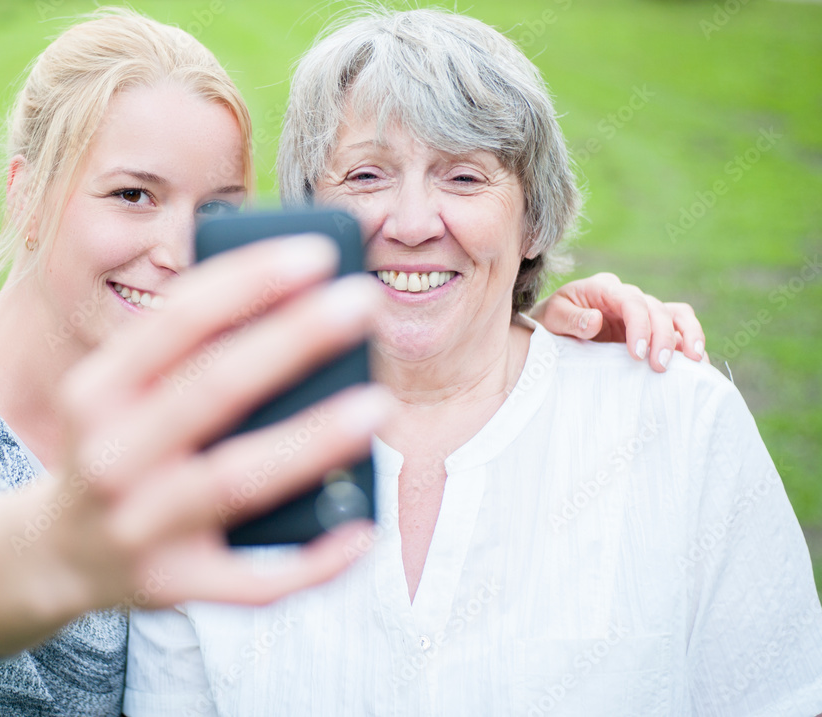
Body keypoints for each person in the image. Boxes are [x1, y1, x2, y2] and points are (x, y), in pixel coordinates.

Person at [0, 7, 704, 716]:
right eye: (133, 195)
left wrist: (512, 322)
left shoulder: (198, 407)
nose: (177, 250)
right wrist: (51, 548)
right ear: (29, 197)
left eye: (217, 213)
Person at [124, 8, 822, 716]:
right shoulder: (210, 453)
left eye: (463, 177)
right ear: (310, 212)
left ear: (535, 220)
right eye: (367, 175)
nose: (414, 222)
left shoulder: (681, 426)